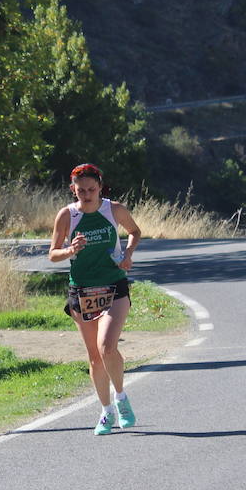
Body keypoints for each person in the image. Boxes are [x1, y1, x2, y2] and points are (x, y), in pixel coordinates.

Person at [47, 162, 142, 435]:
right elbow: (52, 254)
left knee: (107, 346)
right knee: (94, 358)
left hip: (113, 285)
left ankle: (122, 399)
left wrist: (128, 254)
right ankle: (106, 411)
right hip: (82, 291)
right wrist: (69, 250)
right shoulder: (67, 216)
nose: (86, 194)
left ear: (100, 187)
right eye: (81, 190)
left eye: (91, 189)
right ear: (72, 189)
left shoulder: (114, 210)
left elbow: (134, 232)